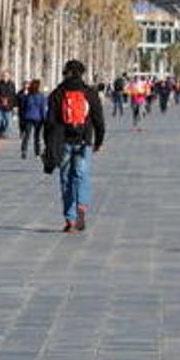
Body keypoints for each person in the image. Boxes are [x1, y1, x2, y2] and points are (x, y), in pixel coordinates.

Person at [43, 60, 105, 234]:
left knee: (65, 179)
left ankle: (70, 219)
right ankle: (82, 207)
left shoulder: (57, 93)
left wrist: (49, 144)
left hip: (63, 142)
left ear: (66, 73)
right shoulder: (89, 93)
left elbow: (49, 122)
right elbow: (99, 120)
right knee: (82, 175)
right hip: (84, 141)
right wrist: (99, 141)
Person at [18, 79, 48, 159]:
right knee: (37, 136)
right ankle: (37, 152)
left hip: (28, 117)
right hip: (38, 118)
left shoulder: (27, 96)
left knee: (27, 135)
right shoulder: (41, 96)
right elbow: (42, 108)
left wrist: (23, 117)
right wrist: (45, 119)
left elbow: (23, 107)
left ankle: (24, 150)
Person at [0, 71, 16, 139]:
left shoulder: (12, 85)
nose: (5, 77)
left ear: (9, 77)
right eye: (4, 76)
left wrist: (11, 102)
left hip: (8, 106)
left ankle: (3, 131)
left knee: (7, 122)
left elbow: (13, 95)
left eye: (7, 76)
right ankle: (0, 131)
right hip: (0, 106)